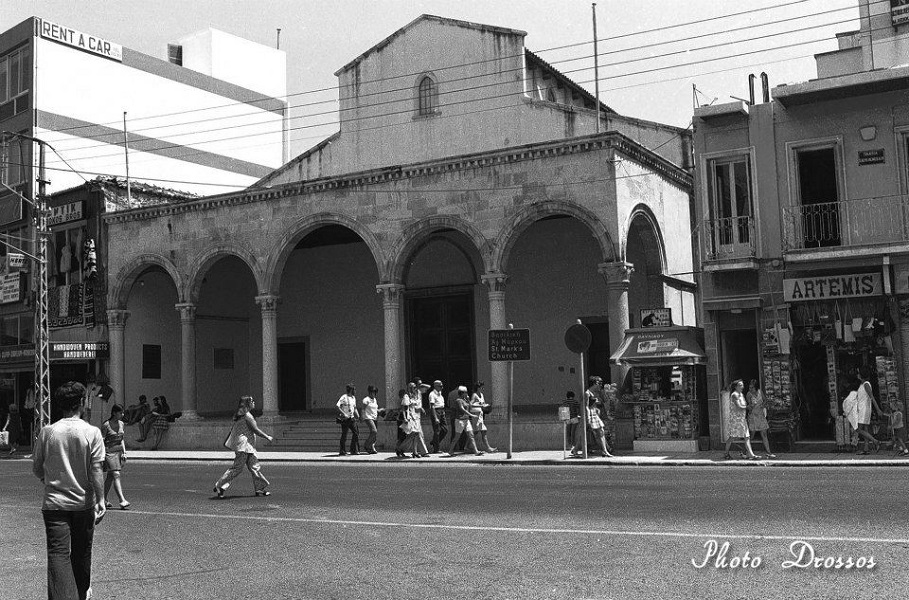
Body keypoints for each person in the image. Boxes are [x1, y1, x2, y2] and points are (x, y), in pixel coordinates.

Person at [32, 381, 106, 600]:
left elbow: (37, 468)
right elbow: (96, 469)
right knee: (82, 552)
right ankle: (81, 593)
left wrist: (48, 478)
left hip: (54, 504)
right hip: (83, 503)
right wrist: (101, 499)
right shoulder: (92, 432)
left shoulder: (47, 432)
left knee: (58, 554)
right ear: (81, 402)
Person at [214, 396, 274, 498]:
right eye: (252, 401)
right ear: (247, 403)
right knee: (237, 469)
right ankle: (220, 485)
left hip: (248, 446)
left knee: (255, 467)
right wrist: (267, 436)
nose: (254, 402)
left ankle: (259, 488)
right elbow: (256, 430)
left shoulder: (242, 415)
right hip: (244, 447)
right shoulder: (247, 416)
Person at [100, 404, 130, 510]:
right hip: (108, 453)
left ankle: (103, 499)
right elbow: (101, 441)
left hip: (118, 453)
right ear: (114, 413)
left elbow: (121, 439)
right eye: (120, 413)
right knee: (116, 474)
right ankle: (122, 500)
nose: (122, 415)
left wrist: (124, 452)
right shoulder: (106, 425)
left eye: (122, 412)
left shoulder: (121, 424)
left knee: (110, 476)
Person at [723, 380, 759, 460]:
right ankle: (726, 453)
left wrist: (751, 405)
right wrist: (748, 407)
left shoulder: (741, 395)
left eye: (742, 385)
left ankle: (751, 454)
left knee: (747, 437)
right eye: (740, 385)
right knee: (732, 437)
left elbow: (744, 406)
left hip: (742, 419)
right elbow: (739, 406)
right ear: (736, 387)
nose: (742, 387)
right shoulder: (734, 395)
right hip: (736, 420)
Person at [447, 386, 483, 456]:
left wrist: (468, 400)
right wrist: (471, 415)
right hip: (460, 420)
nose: (467, 394)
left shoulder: (465, 400)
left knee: (471, 435)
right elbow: (462, 409)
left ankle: (476, 451)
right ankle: (450, 450)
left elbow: (470, 407)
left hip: (466, 420)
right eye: (465, 392)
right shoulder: (458, 400)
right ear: (462, 393)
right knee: (457, 437)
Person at [854, 369, 884, 455]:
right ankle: (866, 448)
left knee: (858, 429)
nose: (857, 375)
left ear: (861, 375)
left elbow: (872, 397)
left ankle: (876, 441)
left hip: (863, 410)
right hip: (863, 408)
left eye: (859, 373)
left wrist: (878, 409)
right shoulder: (863, 384)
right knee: (865, 429)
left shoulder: (866, 384)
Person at [746, 379, 775, 458]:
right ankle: (746, 452)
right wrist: (752, 405)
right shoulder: (749, 394)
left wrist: (763, 405)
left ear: (755, 387)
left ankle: (769, 452)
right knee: (751, 435)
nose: (750, 389)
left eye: (752, 387)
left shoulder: (760, 392)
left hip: (761, 416)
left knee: (764, 434)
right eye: (749, 387)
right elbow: (748, 407)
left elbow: (765, 400)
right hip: (753, 416)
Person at [402, 381, 429, 458]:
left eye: (415, 387)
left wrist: (421, 409)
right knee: (414, 434)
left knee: (415, 434)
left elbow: (416, 406)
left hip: (416, 417)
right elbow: (404, 408)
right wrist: (405, 418)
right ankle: (401, 449)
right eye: (413, 387)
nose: (415, 389)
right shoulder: (406, 396)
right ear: (409, 388)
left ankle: (414, 452)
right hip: (410, 417)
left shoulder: (415, 396)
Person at [470, 382, 497, 453]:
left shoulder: (481, 395)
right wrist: (480, 406)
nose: (483, 389)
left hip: (480, 416)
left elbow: (483, 404)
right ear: (478, 388)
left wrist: (487, 406)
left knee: (481, 431)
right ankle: (487, 448)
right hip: (476, 416)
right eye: (481, 387)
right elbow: (470, 404)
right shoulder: (474, 395)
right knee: (476, 432)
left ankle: (488, 448)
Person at [337, 383, 360, 456]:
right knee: (344, 434)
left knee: (356, 432)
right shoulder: (344, 397)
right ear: (351, 390)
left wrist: (358, 416)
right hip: (346, 419)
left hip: (352, 418)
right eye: (354, 389)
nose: (355, 391)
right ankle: (342, 451)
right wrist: (344, 413)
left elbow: (355, 408)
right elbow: (338, 406)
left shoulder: (353, 398)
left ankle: (353, 450)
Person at [427, 380, 448, 453]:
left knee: (445, 430)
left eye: (442, 386)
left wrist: (443, 412)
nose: (442, 387)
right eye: (440, 386)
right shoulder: (432, 394)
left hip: (441, 411)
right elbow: (432, 406)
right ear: (435, 386)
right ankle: (436, 449)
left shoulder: (440, 394)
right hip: (436, 411)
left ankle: (434, 441)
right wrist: (435, 417)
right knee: (437, 431)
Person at [361, 385, 381, 454]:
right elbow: (363, 409)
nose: (373, 394)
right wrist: (362, 416)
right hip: (368, 417)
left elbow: (375, 409)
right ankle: (366, 445)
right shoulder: (366, 400)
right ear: (369, 392)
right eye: (372, 392)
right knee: (374, 431)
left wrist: (381, 410)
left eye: (375, 392)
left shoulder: (375, 400)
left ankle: (372, 448)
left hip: (374, 417)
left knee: (374, 435)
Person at [561, 391, 581, 456]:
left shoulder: (564, 401)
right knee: (573, 432)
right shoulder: (575, 402)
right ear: (573, 396)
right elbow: (578, 408)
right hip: (574, 417)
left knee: (568, 432)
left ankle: (569, 445)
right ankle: (573, 445)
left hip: (567, 418)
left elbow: (563, 409)